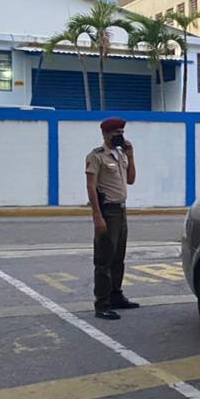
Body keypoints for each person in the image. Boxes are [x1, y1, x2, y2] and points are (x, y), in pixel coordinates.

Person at [86, 117, 139, 320]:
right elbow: (91, 187)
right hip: (107, 211)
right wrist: (97, 217)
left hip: (122, 211)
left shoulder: (121, 155)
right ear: (105, 134)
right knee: (104, 259)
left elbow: (131, 180)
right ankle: (102, 304)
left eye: (122, 132)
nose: (120, 135)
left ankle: (116, 295)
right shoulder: (97, 156)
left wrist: (131, 156)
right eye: (116, 132)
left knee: (119, 258)